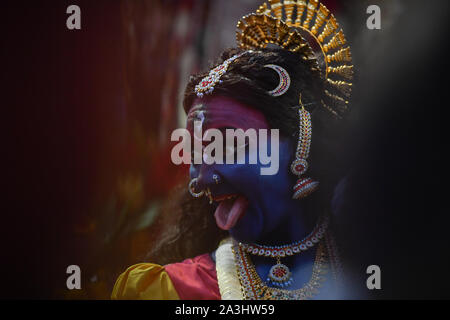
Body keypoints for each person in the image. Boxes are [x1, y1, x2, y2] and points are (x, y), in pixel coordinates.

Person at [111, 0, 355, 300]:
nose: (199, 178)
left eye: (228, 145)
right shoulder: (170, 291)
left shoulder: (382, 268)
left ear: (301, 142)